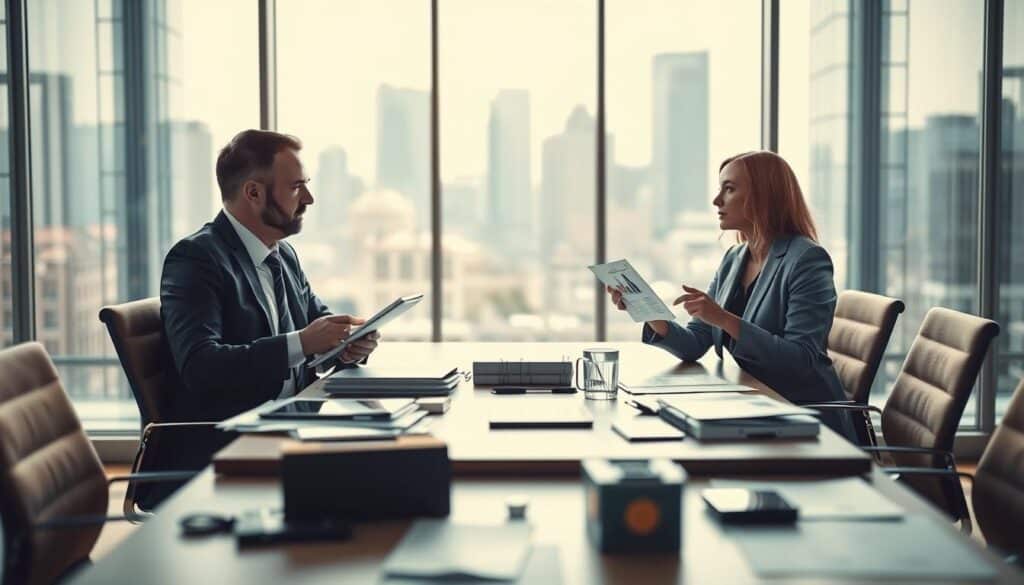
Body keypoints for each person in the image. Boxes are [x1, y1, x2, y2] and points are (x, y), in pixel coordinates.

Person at [608, 150, 852, 437]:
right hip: (756, 407)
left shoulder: (807, 259)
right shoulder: (734, 258)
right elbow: (695, 344)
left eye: (730, 189)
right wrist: (648, 311)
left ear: (764, 196)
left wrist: (725, 319)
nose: (717, 201)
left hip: (806, 420)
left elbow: (802, 362)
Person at [161, 129, 380, 423]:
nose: (309, 199)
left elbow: (319, 328)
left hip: (296, 421)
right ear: (253, 193)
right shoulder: (196, 258)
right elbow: (201, 366)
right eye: (296, 187)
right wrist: (301, 343)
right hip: (232, 437)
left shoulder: (283, 255)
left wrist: (348, 346)